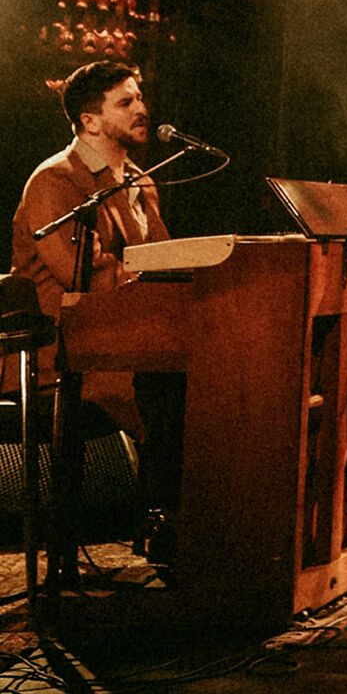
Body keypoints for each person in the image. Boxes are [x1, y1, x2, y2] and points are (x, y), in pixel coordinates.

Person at [10, 60, 184, 554]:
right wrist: (149, 272)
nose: (142, 109)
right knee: (170, 380)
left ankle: (184, 520)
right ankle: (162, 520)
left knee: (208, 366)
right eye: (126, 102)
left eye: (140, 97)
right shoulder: (55, 182)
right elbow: (81, 276)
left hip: (126, 337)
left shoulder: (140, 181)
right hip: (60, 352)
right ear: (90, 120)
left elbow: (165, 265)